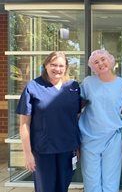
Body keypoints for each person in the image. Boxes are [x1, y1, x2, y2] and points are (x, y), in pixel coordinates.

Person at [17, 51, 81, 192]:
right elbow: (24, 124)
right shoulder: (33, 87)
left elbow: (75, 118)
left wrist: (77, 146)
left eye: (61, 66)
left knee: (63, 187)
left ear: (66, 68)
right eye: (53, 65)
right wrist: (28, 154)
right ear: (46, 65)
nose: (57, 69)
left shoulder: (73, 87)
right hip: (43, 150)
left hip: (67, 149)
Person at [79, 49, 122, 192]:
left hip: (112, 137)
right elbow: (78, 106)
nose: (100, 63)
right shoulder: (88, 83)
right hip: (90, 137)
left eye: (103, 59)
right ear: (92, 67)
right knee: (91, 180)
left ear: (111, 60)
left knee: (111, 180)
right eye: (96, 62)